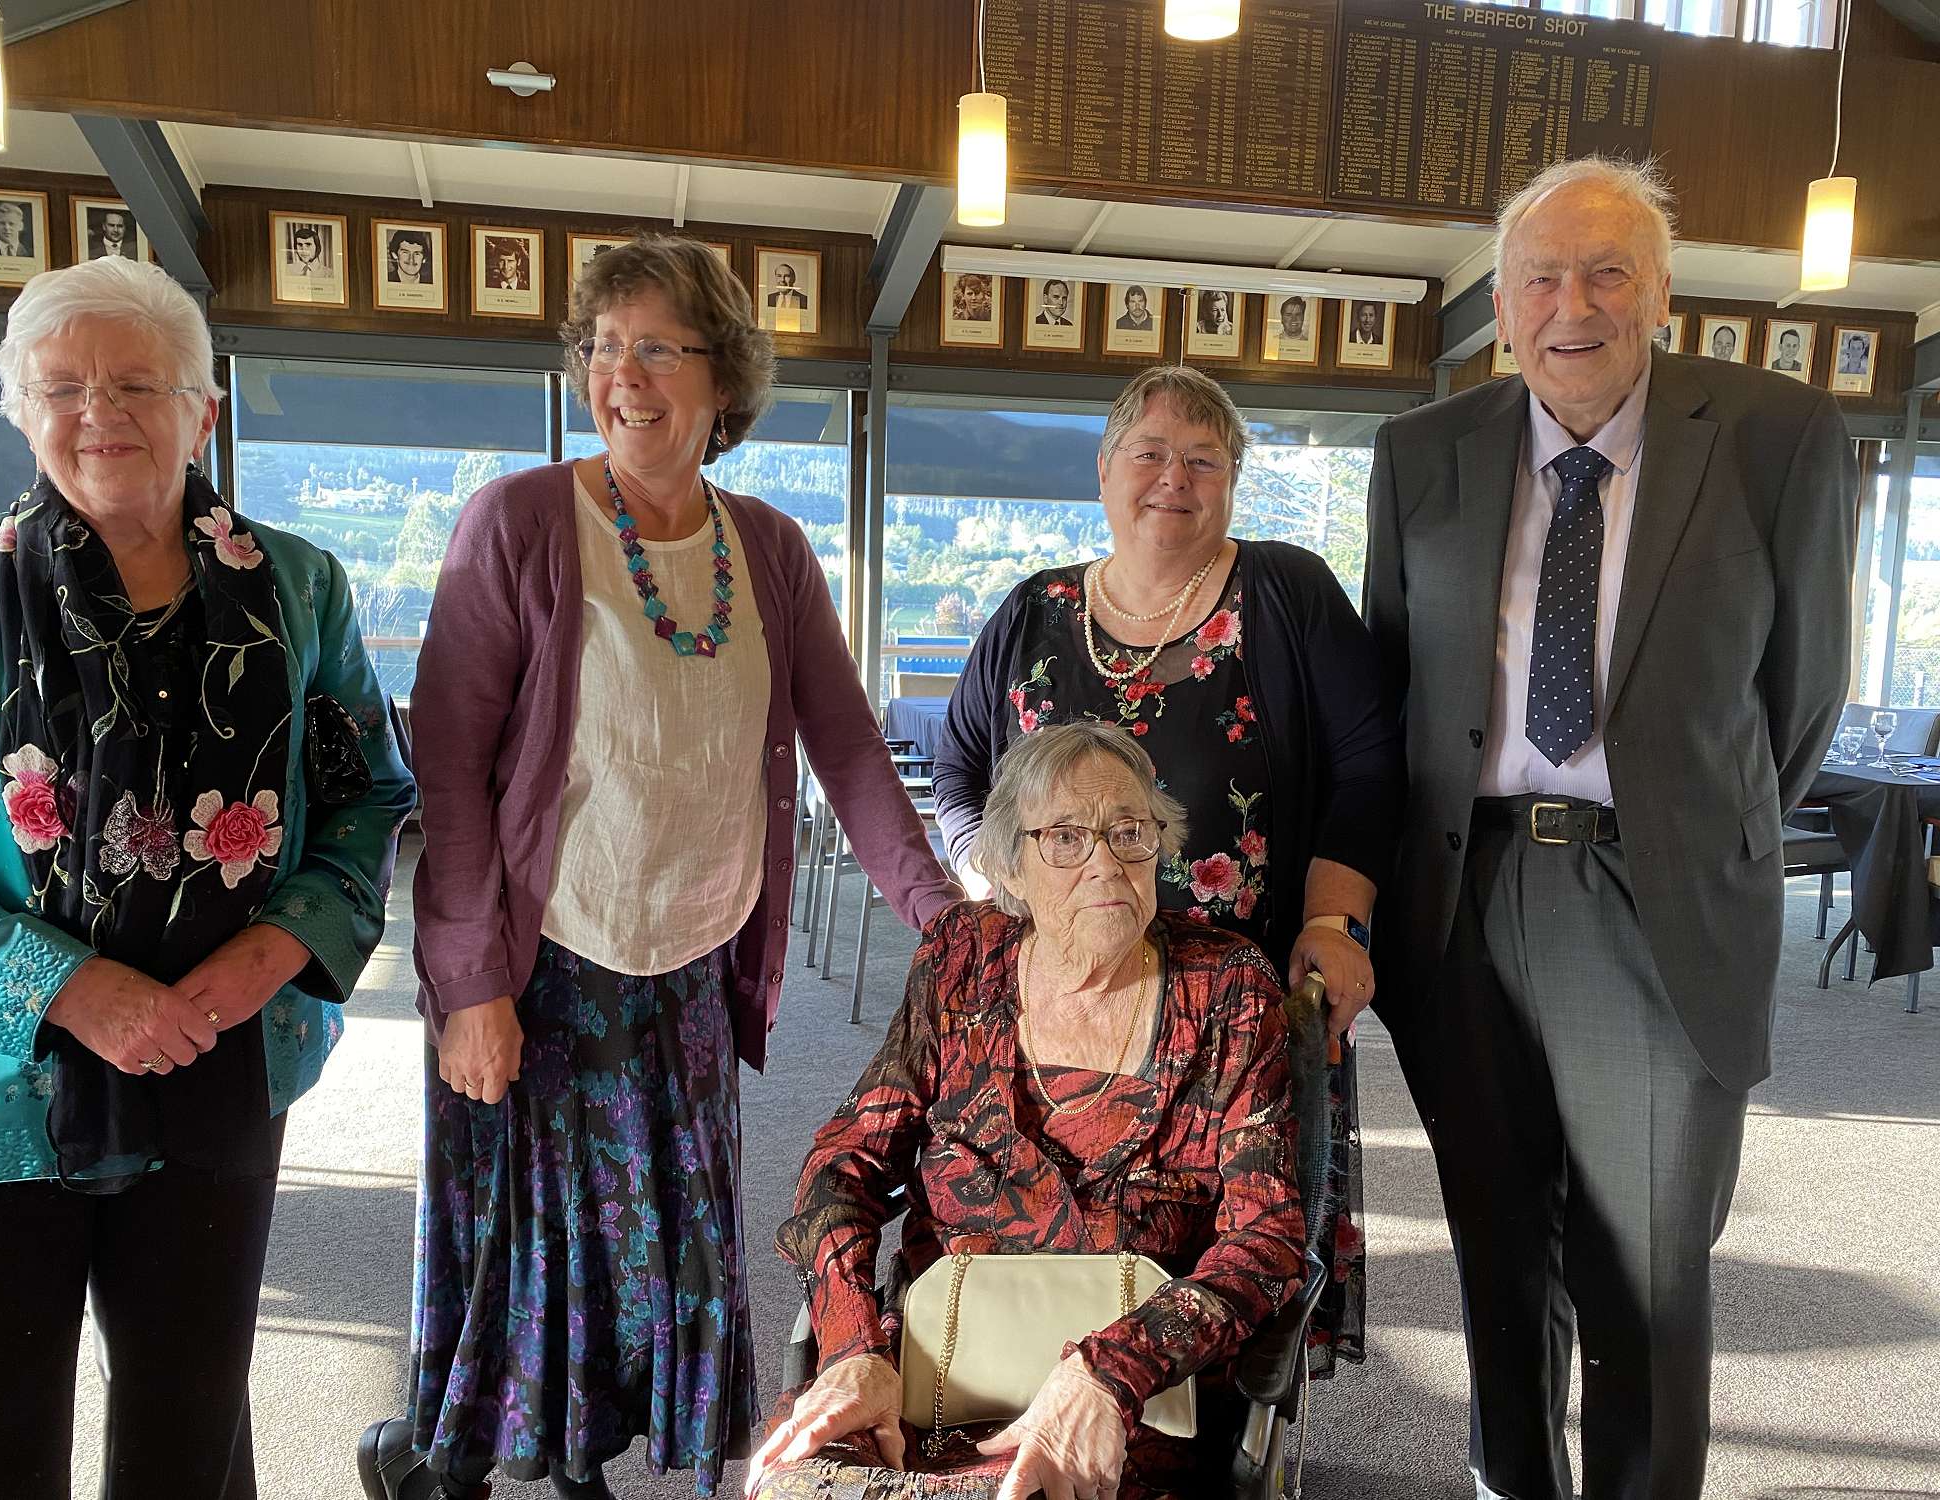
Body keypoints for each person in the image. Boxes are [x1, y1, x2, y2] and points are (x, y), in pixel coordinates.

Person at [360, 233, 956, 1500]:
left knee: (660, 1256)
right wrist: (468, 983)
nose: (620, 375)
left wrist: (939, 913)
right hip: (538, 963)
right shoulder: (518, 522)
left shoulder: (770, 549)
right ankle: (449, 1459)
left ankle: (540, 1455)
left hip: (689, 964)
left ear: (722, 379)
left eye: (655, 349)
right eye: (601, 347)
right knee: (534, 1251)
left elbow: (849, 748)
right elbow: (449, 777)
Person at [1363, 156, 1853, 1500]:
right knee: (1494, 1243)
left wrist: (1685, 829)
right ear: (1501, 307)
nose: (1570, 306)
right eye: (1540, 279)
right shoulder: (1421, 454)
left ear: (1661, 293)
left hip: (1655, 896)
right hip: (1469, 899)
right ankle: (1509, 1479)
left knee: (1642, 1263)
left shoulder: (1776, 436)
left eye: (1605, 273)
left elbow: (1801, 695)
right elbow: (1396, 688)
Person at [0, 256, 415, 1499]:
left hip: (227, 1051)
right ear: (21, 411)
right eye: (62, 387)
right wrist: (67, 986)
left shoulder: (299, 585)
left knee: (187, 1411)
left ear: (202, 410)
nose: (99, 411)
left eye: (137, 383)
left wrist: (272, 953)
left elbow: (369, 790)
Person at [933, 362, 1401, 1374]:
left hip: (1234, 1013)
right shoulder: (1032, 610)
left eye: (1203, 459)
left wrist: (1334, 921)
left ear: (1232, 480)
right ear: (1104, 472)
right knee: (1040, 1236)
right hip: (1059, 999)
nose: (1172, 478)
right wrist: (993, 885)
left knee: (1232, 1250)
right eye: (1148, 453)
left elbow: (1369, 767)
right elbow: (959, 773)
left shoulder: (1287, 593)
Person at [748, 721, 1308, 1500]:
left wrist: (1111, 1372)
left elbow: (1267, 1236)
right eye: (1066, 838)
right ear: (1012, 862)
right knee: (801, 1482)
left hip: (1130, 1395)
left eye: (1128, 832)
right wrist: (850, 1346)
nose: (1105, 862)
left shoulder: (1228, 988)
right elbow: (844, 1164)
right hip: (929, 1376)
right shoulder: (962, 958)